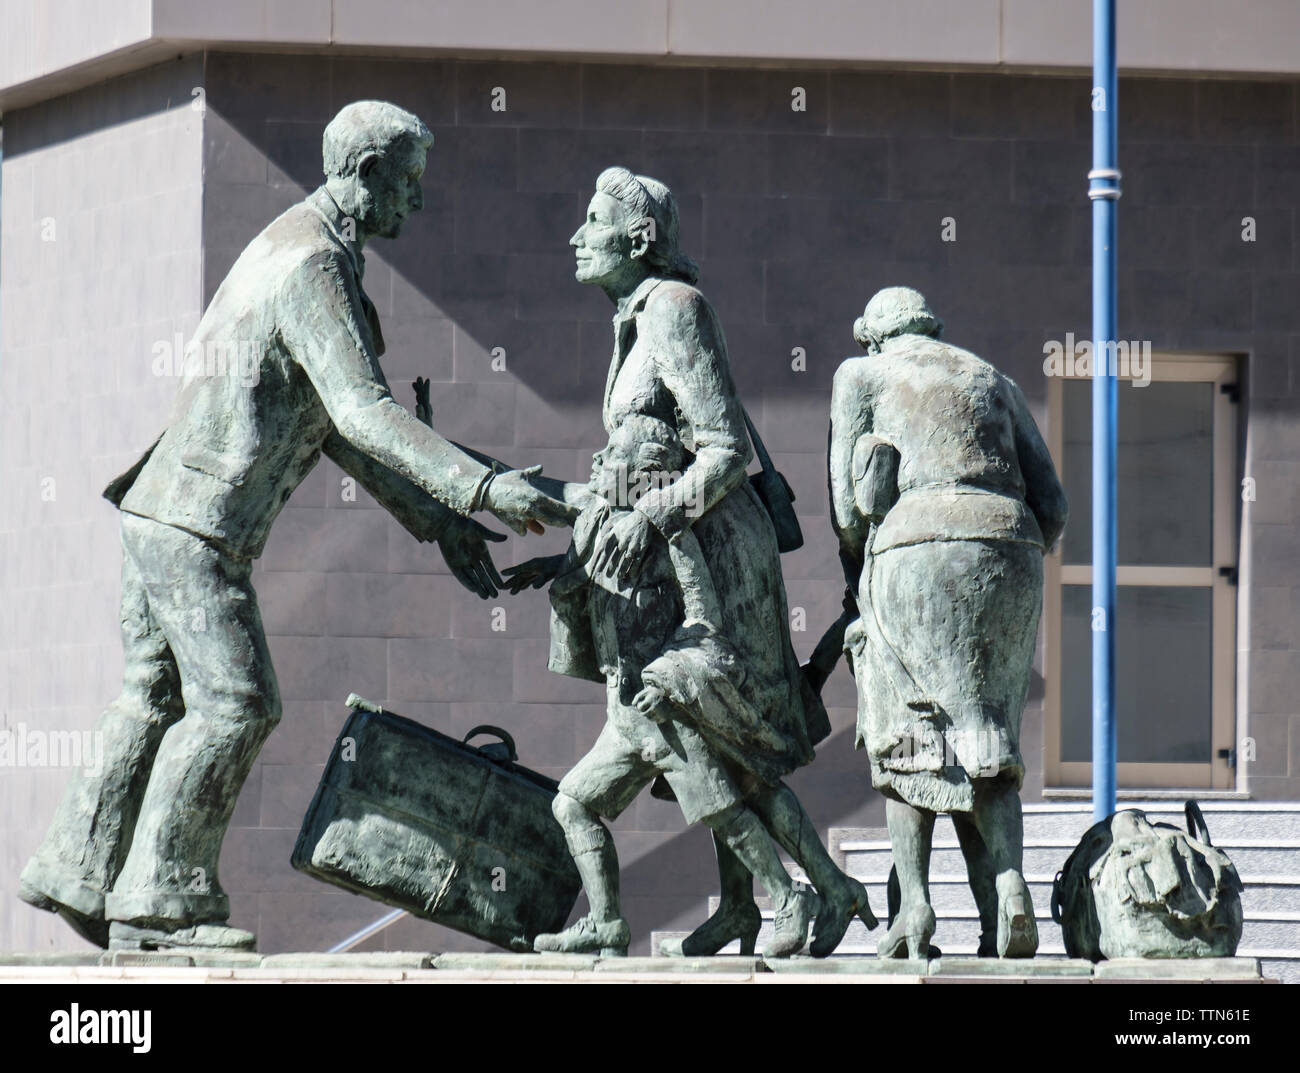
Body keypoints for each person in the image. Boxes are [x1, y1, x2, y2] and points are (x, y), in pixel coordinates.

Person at [18, 100, 569, 952]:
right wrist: (482, 487)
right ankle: (164, 895)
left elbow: (328, 427)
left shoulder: (291, 243)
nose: (417, 203)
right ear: (364, 173)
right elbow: (360, 413)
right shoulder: (314, 266)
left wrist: (438, 523)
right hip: (197, 524)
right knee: (236, 705)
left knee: (152, 696)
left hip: (158, 511)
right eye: (409, 182)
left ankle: (75, 867)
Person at [506, 167, 873, 958]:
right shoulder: (633, 317)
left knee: (685, 718)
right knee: (698, 736)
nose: (576, 235)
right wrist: (567, 551)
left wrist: (651, 513)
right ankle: (759, 902)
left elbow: (725, 450)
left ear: (639, 239)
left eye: (594, 219)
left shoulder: (674, 307)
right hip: (659, 556)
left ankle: (779, 898)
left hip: (708, 556)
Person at [826, 286, 1068, 959]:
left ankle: (918, 907)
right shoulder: (992, 377)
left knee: (906, 735)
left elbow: (848, 511)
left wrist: (880, 558)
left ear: (874, 335)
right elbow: (1054, 503)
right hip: (1010, 549)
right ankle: (1009, 884)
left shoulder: (863, 373)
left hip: (915, 545)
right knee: (987, 734)